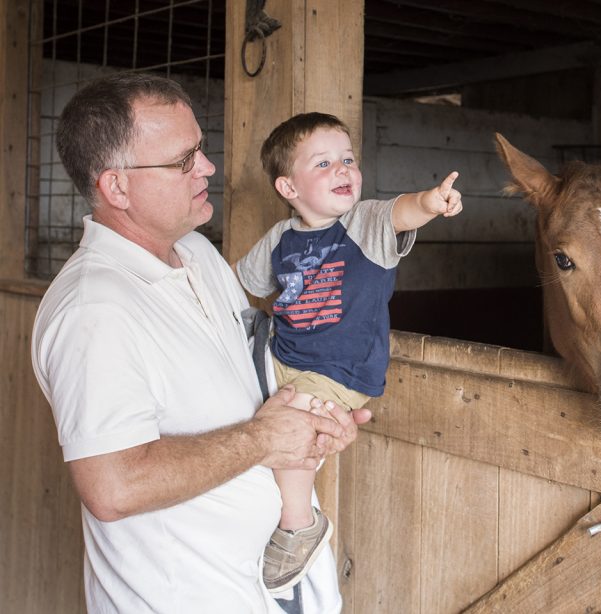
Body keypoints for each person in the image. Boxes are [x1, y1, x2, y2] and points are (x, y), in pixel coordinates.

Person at [30, 73, 369, 614]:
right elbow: (112, 487)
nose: (207, 167)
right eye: (183, 159)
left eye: (201, 150)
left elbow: (240, 383)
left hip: (253, 585)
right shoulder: (94, 309)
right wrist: (264, 440)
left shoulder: (197, 255)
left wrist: (310, 414)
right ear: (116, 187)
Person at [236, 112, 463, 593]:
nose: (342, 169)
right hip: (286, 353)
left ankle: (299, 525)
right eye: (323, 163)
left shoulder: (365, 224)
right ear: (288, 188)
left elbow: (403, 209)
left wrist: (431, 201)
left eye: (348, 159)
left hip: (338, 371)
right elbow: (245, 283)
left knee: (292, 419)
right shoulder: (280, 240)